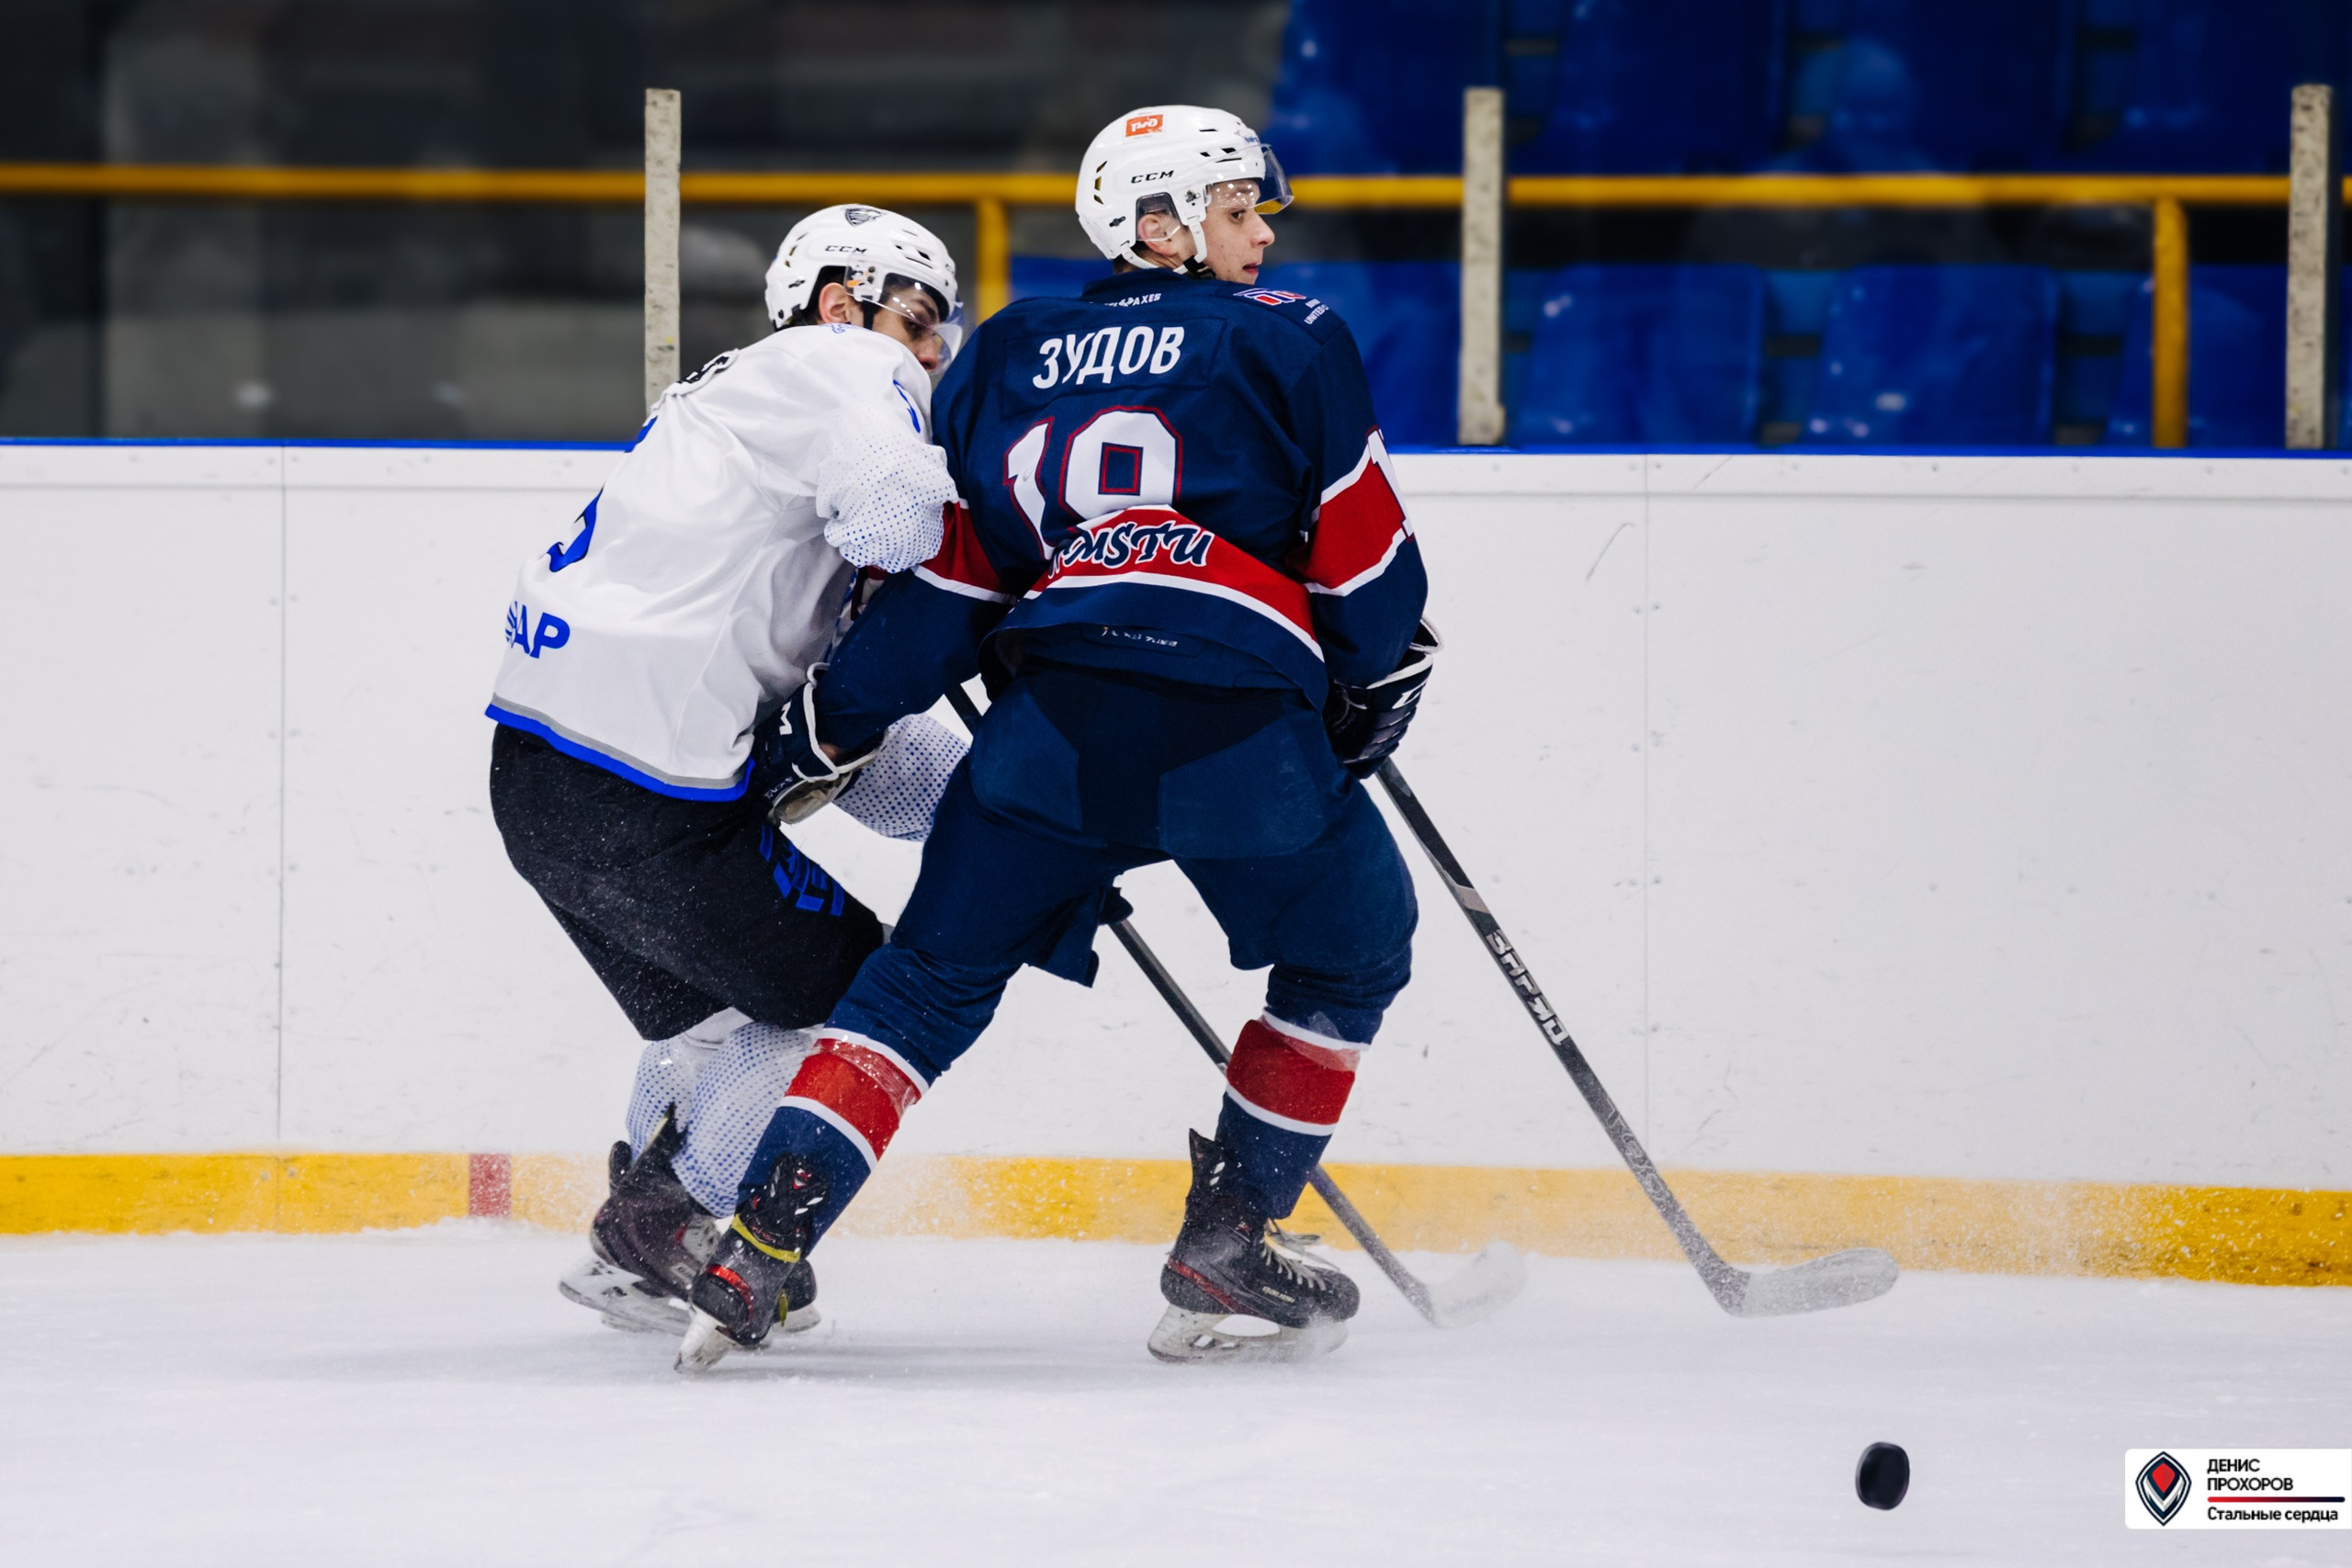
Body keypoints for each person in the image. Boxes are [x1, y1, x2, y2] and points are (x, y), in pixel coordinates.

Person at [678, 106, 1436, 1369]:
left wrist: (834, 720)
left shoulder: (1015, 347)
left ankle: (756, 1241)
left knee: (918, 984)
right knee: (1355, 950)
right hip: (1235, 731)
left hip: (1052, 736)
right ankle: (1232, 1233)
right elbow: (1360, 555)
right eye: (1237, 209)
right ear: (1159, 223)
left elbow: (956, 579)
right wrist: (1372, 685)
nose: (1258, 235)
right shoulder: (1293, 337)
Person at [483, 204, 973, 1338]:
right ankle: (671, 1222)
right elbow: (902, 521)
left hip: (538, 777)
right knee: (850, 997)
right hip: (647, 794)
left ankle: (632, 1251)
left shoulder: (734, 411)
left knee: (706, 1027)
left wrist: (984, 806)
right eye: (920, 317)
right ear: (844, 299)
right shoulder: (842, 360)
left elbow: (838, 743)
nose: (933, 348)